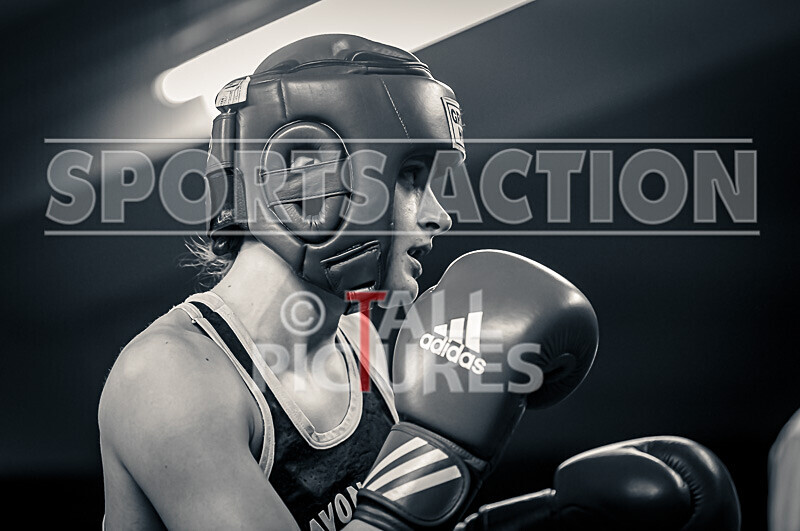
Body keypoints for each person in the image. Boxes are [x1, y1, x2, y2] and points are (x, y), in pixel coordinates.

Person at [99, 34, 461, 530]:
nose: (440, 216)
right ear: (308, 178)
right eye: (410, 176)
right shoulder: (167, 375)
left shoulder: (362, 347)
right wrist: (449, 449)